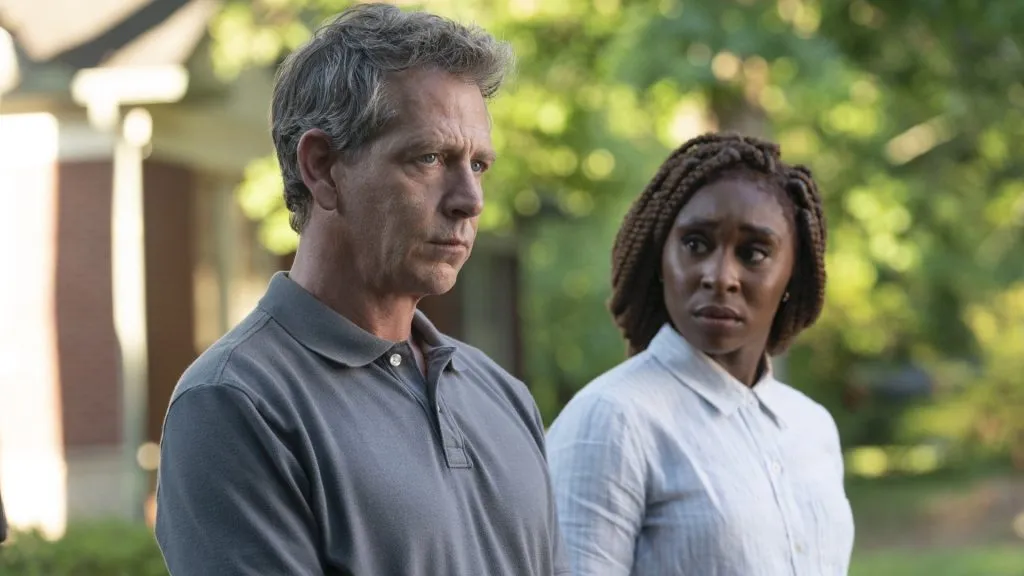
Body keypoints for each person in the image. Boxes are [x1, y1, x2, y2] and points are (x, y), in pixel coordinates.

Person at [155, 5, 568, 575]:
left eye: (479, 165)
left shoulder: (503, 397)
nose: (470, 200)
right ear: (322, 168)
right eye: (429, 158)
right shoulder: (235, 403)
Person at [546, 132, 855, 575]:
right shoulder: (612, 419)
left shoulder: (811, 426)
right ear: (661, 257)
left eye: (753, 253)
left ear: (793, 275)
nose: (720, 276)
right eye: (695, 244)